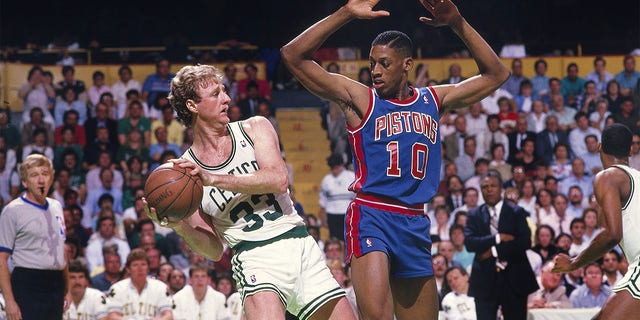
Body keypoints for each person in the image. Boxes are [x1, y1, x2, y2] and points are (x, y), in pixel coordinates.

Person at [281, 0, 510, 318]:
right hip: (372, 213)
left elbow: (497, 73)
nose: (374, 71)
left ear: (407, 64)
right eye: (372, 63)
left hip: (416, 221)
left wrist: (458, 23)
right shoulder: (361, 99)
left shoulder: (433, 99)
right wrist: (346, 13)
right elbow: (293, 54)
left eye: (384, 63)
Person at [145, 64, 355, 320]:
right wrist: (178, 226)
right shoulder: (184, 173)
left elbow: (278, 180)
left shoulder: (254, 127)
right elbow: (212, 250)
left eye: (224, 91)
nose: (227, 99)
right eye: (216, 94)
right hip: (254, 257)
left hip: (300, 244)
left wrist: (214, 178)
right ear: (192, 105)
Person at [553, 123, 640, 318]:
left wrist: (574, 262)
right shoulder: (637, 177)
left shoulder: (607, 177)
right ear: (630, 150)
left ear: (599, 147)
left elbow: (612, 234)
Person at [0, 154, 69, 320]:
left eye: (45, 174)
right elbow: (1, 259)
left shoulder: (56, 206)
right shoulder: (12, 211)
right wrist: (9, 301)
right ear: (24, 182)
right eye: (34, 175)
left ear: (51, 178)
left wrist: (67, 290)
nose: (40, 180)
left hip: (55, 284)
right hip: (28, 283)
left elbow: (62, 250)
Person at [464, 171, 538, 320]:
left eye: (493, 186)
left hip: (514, 278)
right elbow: (470, 243)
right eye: (485, 187)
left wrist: (493, 251)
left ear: (501, 189)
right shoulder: (474, 215)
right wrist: (498, 238)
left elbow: (524, 242)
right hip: (485, 280)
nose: (489, 189)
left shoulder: (516, 212)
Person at [104, 248, 173, 319]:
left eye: (143, 264)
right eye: (135, 265)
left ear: (148, 268)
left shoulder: (161, 287)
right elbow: (112, 316)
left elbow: (169, 315)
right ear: (128, 269)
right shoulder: (116, 289)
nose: (140, 269)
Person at [319, 153, 355, 242]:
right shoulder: (326, 180)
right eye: (332, 168)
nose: (335, 171)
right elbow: (323, 200)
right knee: (335, 240)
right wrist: (323, 218)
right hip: (332, 214)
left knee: (349, 239)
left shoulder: (351, 176)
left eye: (336, 168)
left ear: (342, 165)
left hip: (348, 213)